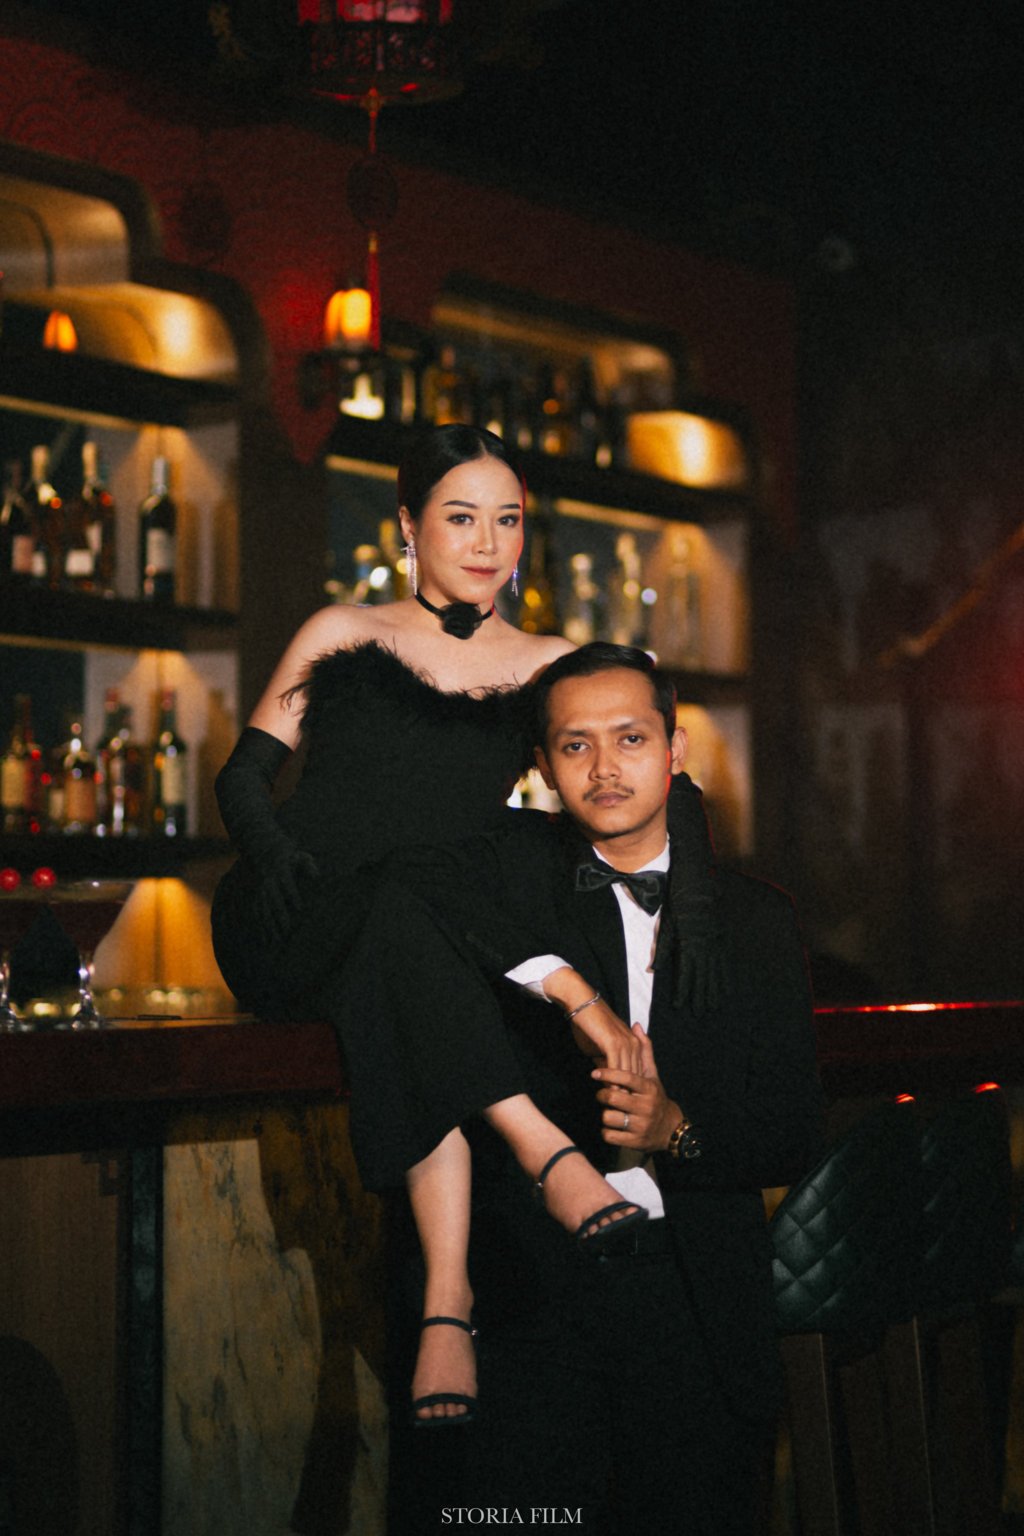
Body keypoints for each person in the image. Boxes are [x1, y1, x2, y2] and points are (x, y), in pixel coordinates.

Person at [210, 427, 714, 1431]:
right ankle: (545, 1158)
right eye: (460, 516)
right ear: (408, 525)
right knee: (406, 922)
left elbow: (670, 775)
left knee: (413, 934)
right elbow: (242, 779)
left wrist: (690, 907)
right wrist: (271, 857)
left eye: (507, 519)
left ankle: (447, 1302)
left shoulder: (550, 664)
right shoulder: (340, 629)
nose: (487, 541)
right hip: (293, 915)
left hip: (421, 927)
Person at [349, 642, 823, 1534]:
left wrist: (676, 1130)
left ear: (676, 750)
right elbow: (395, 880)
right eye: (576, 745)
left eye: (630, 738)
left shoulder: (755, 919)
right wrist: (569, 990)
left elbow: (792, 1129)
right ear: (543, 763)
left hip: (694, 1306)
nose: (605, 768)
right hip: (535, 1299)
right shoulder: (513, 874)